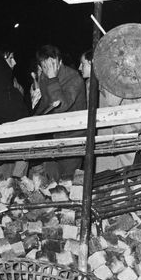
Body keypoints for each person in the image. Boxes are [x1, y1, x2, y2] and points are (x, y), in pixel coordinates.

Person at [33, 44, 86, 179]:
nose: (49, 69)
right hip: (54, 136)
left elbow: (61, 106)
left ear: (60, 62)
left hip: (73, 137)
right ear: (40, 67)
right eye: (45, 66)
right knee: (51, 179)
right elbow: (46, 104)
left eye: (52, 64)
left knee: (68, 179)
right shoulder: (44, 77)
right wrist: (32, 118)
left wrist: (52, 78)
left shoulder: (74, 78)